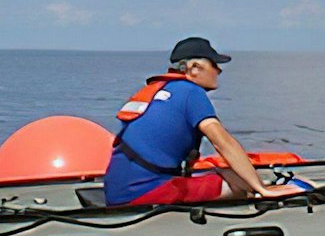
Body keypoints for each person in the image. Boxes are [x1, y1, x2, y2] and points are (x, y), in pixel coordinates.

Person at [103, 37, 310, 206]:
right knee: (238, 185)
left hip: (117, 189)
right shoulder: (191, 92)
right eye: (214, 64)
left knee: (228, 173)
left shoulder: (160, 90)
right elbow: (222, 141)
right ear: (194, 68)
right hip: (143, 193)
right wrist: (261, 189)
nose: (219, 71)